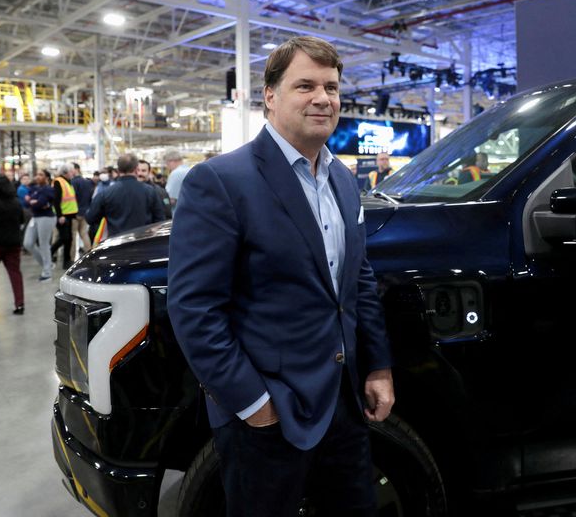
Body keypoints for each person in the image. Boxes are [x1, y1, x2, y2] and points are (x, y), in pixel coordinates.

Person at [167, 36, 394, 517]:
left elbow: (358, 282)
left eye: (331, 88)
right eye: (305, 85)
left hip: (344, 405)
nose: (323, 99)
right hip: (268, 415)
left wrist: (376, 366)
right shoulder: (221, 181)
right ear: (269, 96)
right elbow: (193, 307)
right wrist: (251, 403)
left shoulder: (343, 180)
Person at [86, 154, 165, 237]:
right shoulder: (150, 191)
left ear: (118, 170)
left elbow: (90, 218)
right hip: (143, 243)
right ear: (136, 169)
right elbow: (160, 219)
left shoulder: (106, 193)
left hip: (117, 244)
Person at [0, 174, 25, 314]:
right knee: (15, 273)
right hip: (13, 243)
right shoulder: (16, 202)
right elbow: (21, 220)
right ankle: (19, 304)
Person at [22, 169, 56, 281]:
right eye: (37, 174)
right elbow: (26, 202)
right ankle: (48, 264)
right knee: (28, 243)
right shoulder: (35, 189)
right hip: (35, 217)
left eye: (40, 175)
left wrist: (34, 201)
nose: (37, 176)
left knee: (44, 244)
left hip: (46, 218)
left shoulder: (49, 189)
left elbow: (39, 203)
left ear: (46, 177)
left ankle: (47, 273)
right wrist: (34, 202)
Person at [49, 164, 79, 269]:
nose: (73, 173)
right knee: (65, 238)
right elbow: (56, 201)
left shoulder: (68, 182)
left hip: (69, 215)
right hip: (62, 216)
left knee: (69, 239)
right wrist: (60, 215)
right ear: (65, 172)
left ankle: (66, 262)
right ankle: (50, 252)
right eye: (71, 171)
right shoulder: (58, 182)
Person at [70, 163, 94, 257]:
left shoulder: (72, 182)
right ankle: (89, 254)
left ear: (76, 169)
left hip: (75, 212)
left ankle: (71, 258)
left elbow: (72, 198)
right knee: (84, 234)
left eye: (72, 169)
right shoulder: (88, 182)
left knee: (73, 235)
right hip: (86, 211)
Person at [163, 149, 191, 213]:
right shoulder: (189, 170)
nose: (167, 166)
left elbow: (171, 199)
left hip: (178, 213)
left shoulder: (176, 173)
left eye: (167, 163)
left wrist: (162, 203)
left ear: (171, 161)